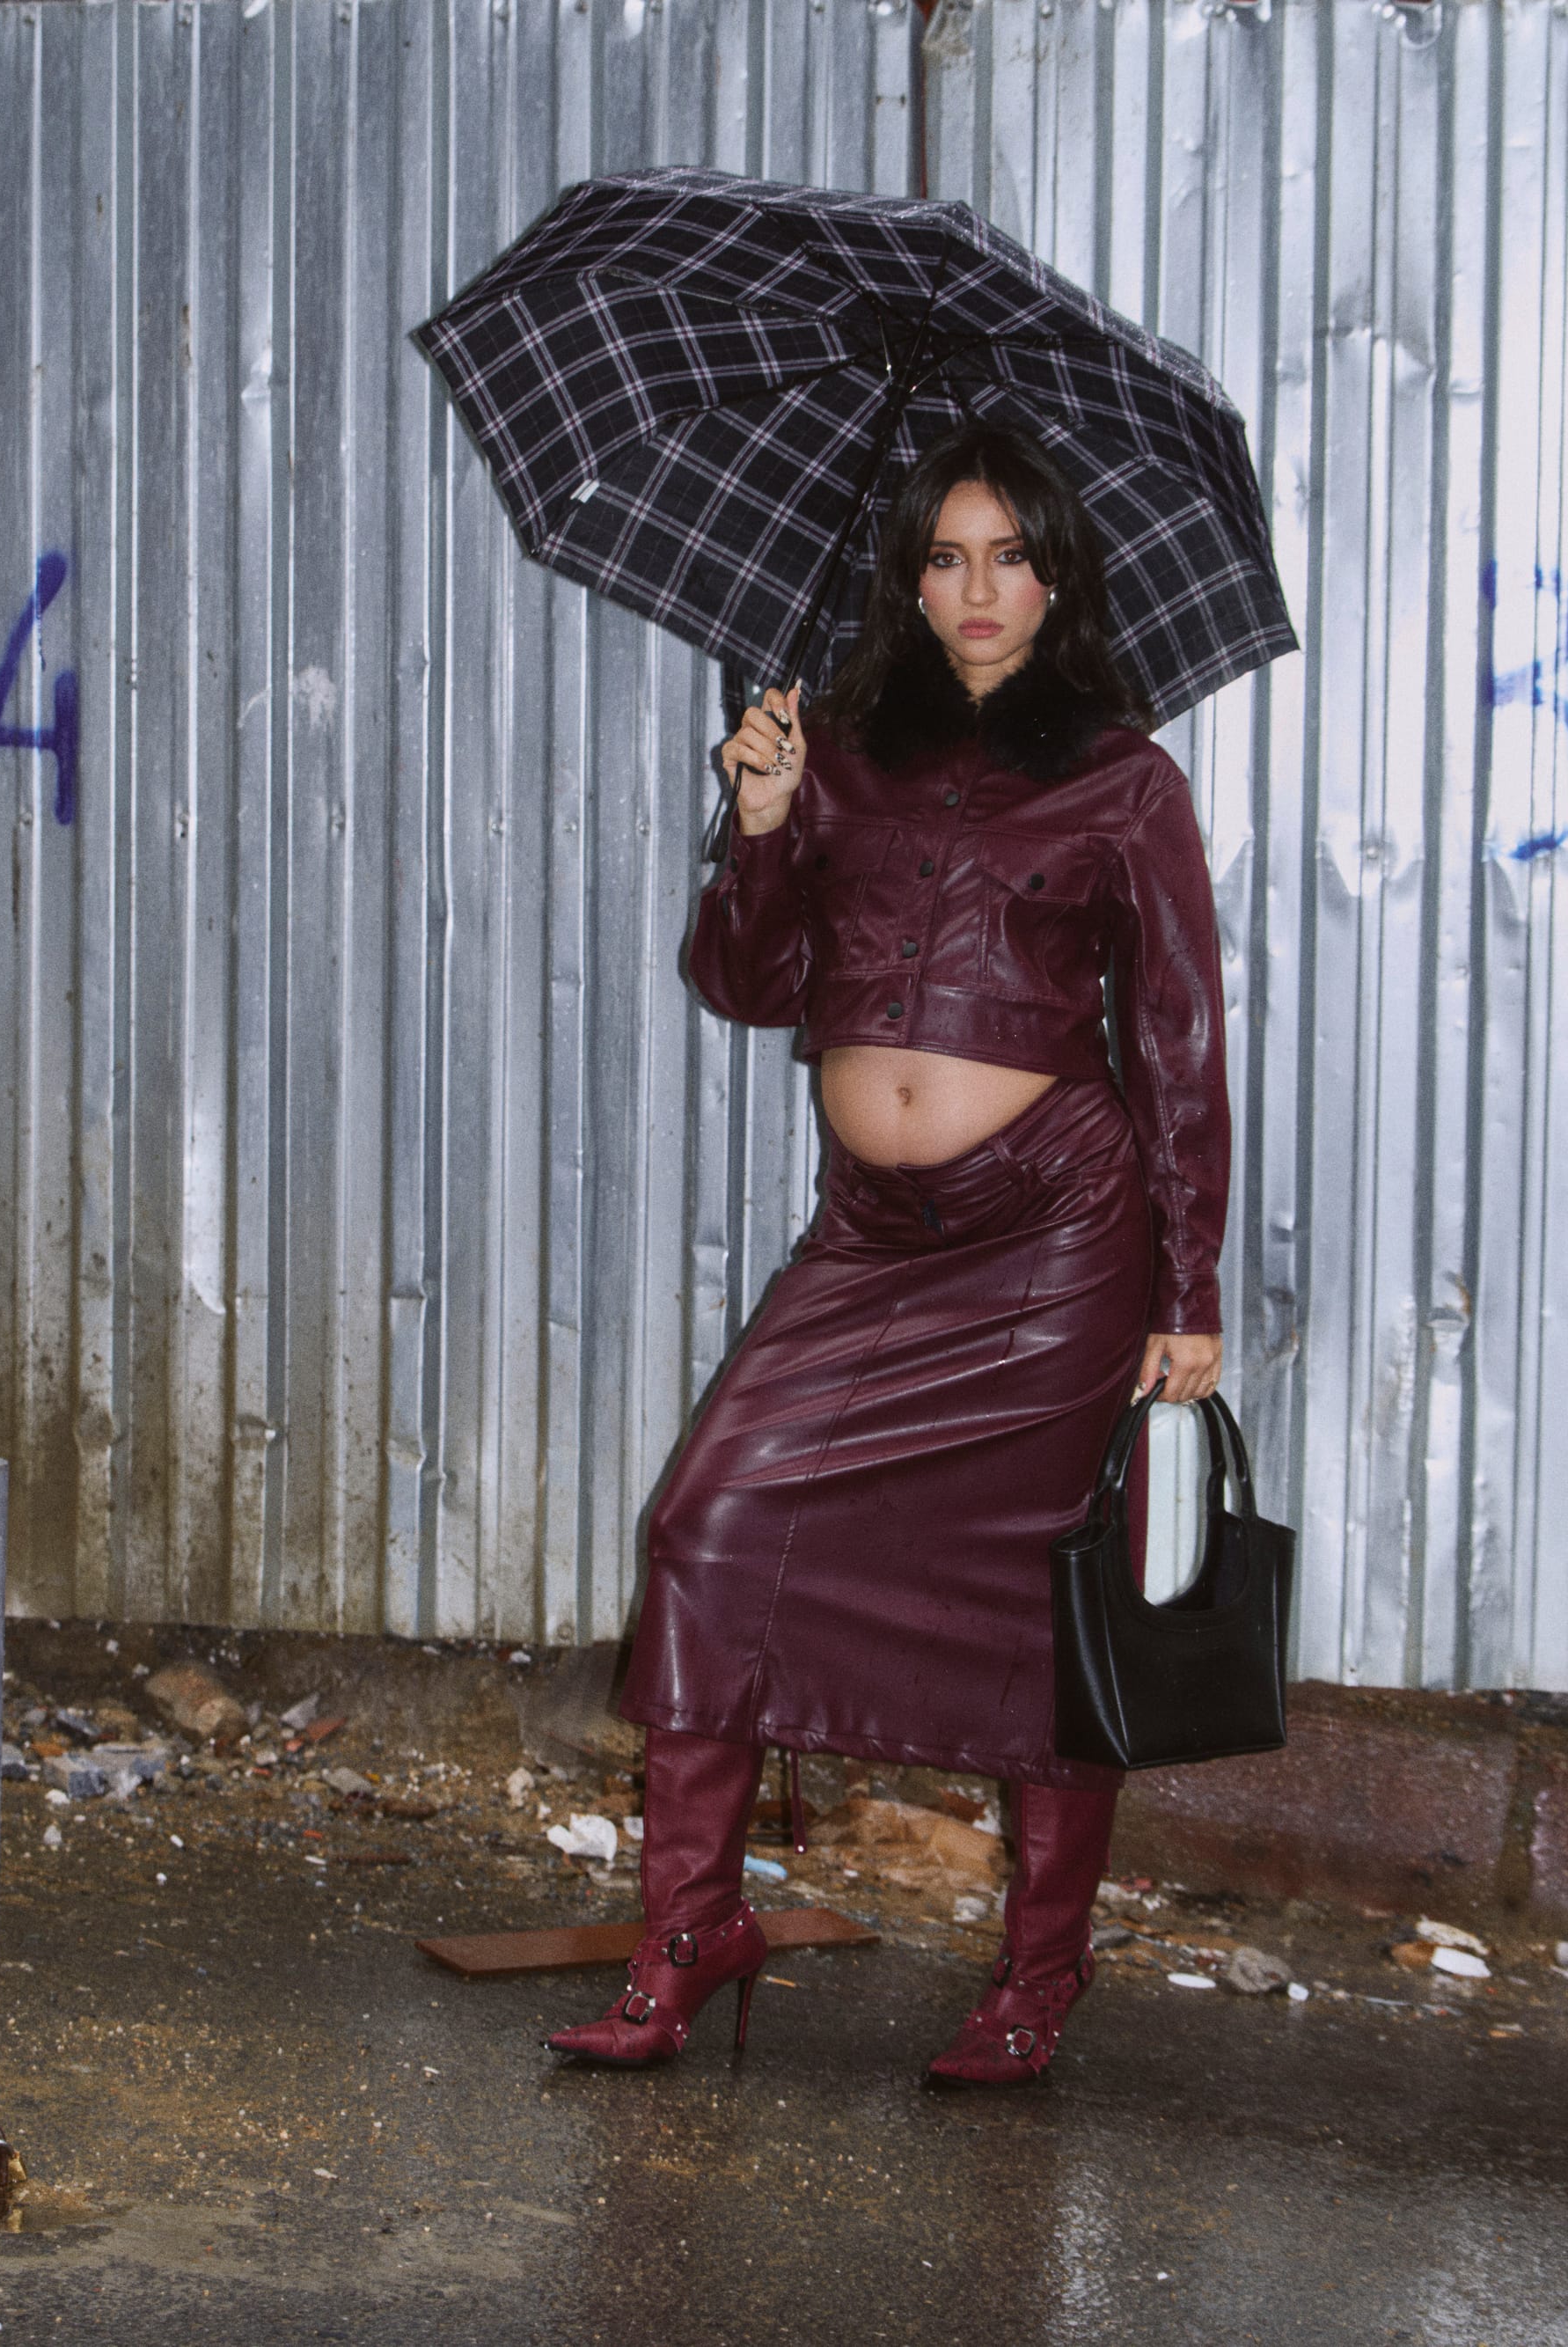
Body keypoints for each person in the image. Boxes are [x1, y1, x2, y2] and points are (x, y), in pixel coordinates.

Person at [546, 424, 1229, 2086]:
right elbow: (747, 980)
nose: (977, 588)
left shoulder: (1127, 780)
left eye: (1010, 555)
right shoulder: (835, 751)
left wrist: (1191, 1293)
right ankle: (691, 1932)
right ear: (909, 582)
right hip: (872, 1239)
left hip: (1060, 1238)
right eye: (945, 557)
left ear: (1056, 578)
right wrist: (765, 819)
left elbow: (1179, 1041)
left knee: (1047, 1602)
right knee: (710, 1525)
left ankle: (1038, 1977)